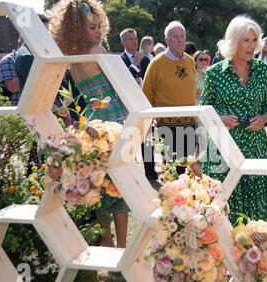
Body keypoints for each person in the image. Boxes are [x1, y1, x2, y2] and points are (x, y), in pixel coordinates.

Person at [50, 0, 129, 248]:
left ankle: (106, 237)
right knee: (121, 184)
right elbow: (122, 87)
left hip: (94, 126)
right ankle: (122, 245)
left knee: (100, 184)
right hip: (117, 121)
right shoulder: (98, 52)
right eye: (92, 27)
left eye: (98, 27)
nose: (98, 32)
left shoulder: (72, 59)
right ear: (77, 29)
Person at [200, 16, 267, 225]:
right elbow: (203, 110)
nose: (251, 45)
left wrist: (265, 118)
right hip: (223, 148)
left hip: (255, 145)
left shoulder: (263, 70)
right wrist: (220, 118)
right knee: (223, 203)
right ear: (234, 41)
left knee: (259, 206)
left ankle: (258, 250)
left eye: (254, 40)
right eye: (246, 40)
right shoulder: (214, 73)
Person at [142, 21, 197, 178]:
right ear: (166, 40)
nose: (180, 40)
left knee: (187, 166)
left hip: (190, 123)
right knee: (172, 168)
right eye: (175, 37)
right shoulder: (156, 63)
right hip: (167, 125)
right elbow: (147, 94)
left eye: (182, 36)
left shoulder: (190, 60)